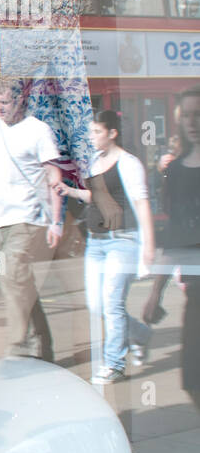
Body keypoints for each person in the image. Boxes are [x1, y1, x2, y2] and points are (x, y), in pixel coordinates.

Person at [54, 110, 155, 383]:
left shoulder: (129, 163)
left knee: (112, 304)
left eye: (97, 131)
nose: (92, 137)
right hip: (96, 244)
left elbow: (141, 204)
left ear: (112, 133)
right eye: (90, 132)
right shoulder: (95, 162)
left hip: (122, 241)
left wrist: (148, 247)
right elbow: (95, 197)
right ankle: (141, 335)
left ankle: (114, 364)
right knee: (97, 306)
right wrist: (71, 191)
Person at [0, 78, 65, 361]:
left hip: (29, 217)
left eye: (6, 102)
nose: (0, 108)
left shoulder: (39, 131)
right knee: (19, 283)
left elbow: (54, 177)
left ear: (20, 101)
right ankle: (44, 344)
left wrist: (58, 221)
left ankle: (19, 346)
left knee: (12, 278)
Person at [143, 84, 200, 410]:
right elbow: (175, 236)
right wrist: (155, 293)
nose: (192, 122)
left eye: (199, 115)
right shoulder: (175, 172)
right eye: (187, 115)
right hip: (197, 291)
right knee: (192, 378)